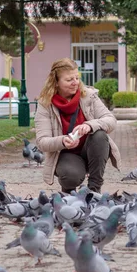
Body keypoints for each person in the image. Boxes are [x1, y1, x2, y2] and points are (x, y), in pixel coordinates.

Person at [35, 58, 121, 194]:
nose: (75, 82)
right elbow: (42, 142)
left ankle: (94, 189)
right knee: (71, 176)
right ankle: (69, 192)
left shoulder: (88, 96)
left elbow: (111, 120)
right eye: (69, 80)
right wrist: (63, 141)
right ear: (56, 82)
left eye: (77, 77)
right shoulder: (45, 104)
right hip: (66, 155)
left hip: (91, 151)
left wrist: (90, 125)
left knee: (99, 135)